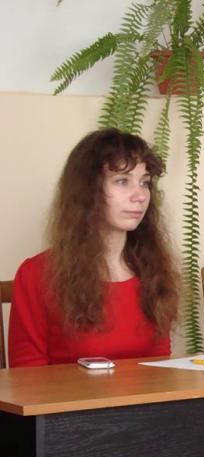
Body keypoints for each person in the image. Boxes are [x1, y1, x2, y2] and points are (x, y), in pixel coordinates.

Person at [9, 128, 179, 367]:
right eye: (122, 181)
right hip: (67, 393)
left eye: (145, 182)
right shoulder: (36, 274)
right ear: (88, 191)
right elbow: (26, 374)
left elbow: (160, 364)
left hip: (145, 394)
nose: (140, 195)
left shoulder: (155, 270)